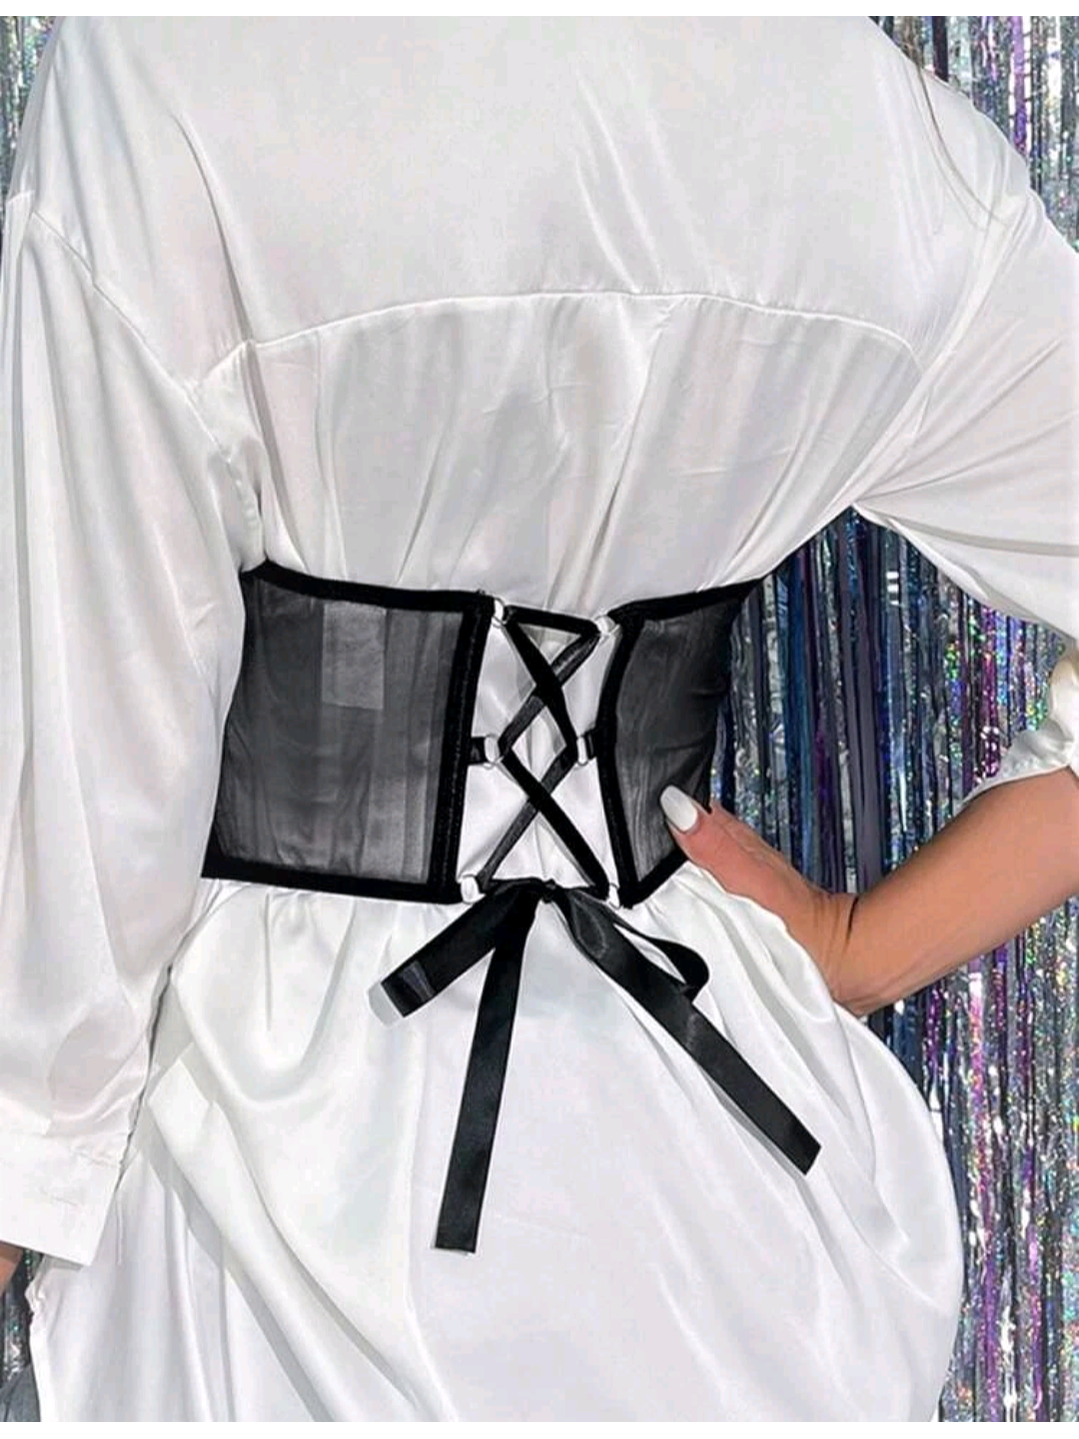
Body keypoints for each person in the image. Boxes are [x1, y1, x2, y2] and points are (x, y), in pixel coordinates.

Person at [0, 16, 1076, 1423]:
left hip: (275, 1166)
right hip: (727, 1200)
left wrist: (23, 1172)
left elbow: (86, 765)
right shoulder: (870, 125)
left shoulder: (163, 66)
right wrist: (857, 945)